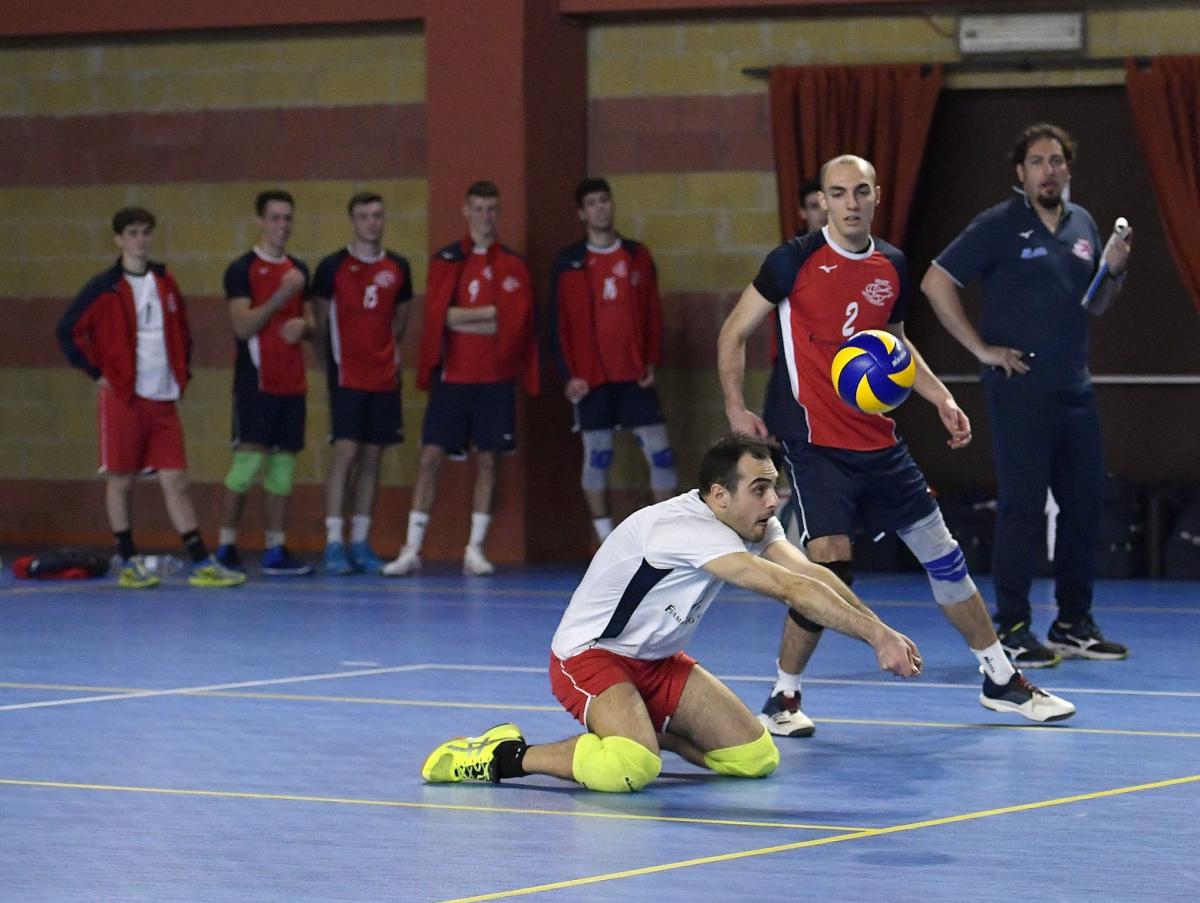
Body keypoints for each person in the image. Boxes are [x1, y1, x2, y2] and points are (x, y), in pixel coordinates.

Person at [718, 154, 1075, 737]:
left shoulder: (892, 265)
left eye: (861, 191)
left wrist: (940, 399)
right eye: (838, 193)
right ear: (824, 201)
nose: (851, 203)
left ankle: (1000, 679)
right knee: (831, 564)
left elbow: (898, 350)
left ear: (876, 195)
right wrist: (736, 406)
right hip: (816, 445)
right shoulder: (793, 261)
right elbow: (734, 330)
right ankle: (784, 699)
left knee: (945, 557)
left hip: (881, 443)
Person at [420, 434, 923, 792]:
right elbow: (785, 587)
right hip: (590, 657)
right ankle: (503, 756)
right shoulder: (685, 529)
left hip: (657, 662)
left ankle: (649, 729)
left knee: (755, 759)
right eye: (760, 490)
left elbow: (811, 574)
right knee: (629, 769)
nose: (773, 501)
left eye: (774, 487)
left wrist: (881, 629)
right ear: (719, 496)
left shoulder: (749, 521)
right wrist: (875, 641)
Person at [921, 123, 1132, 665]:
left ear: (1068, 168)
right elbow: (936, 280)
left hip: (1075, 389)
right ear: (1021, 172)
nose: (1048, 170)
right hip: (1020, 390)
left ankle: (1072, 623)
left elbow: (1097, 304)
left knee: (1085, 505)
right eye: (1037, 161)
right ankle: (1012, 626)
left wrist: (1113, 271)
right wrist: (982, 350)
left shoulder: (1082, 223)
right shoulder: (999, 225)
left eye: (1057, 160)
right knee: (1021, 509)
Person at [56, 206, 245, 589]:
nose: (140, 239)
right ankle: (127, 559)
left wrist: (182, 369)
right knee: (121, 479)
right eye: (133, 233)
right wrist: (98, 373)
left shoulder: (164, 280)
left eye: (145, 232)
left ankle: (200, 561)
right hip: (124, 397)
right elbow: (68, 330)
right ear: (119, 240)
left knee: (176, 479)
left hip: (163, 397)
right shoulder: (105, 287)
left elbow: (180, 329)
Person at [383, 181, 539, 577]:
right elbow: (440, 318)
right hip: (452, 380)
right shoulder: (447, 259)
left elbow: (514, 324)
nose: (485, 216)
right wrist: (486, 315)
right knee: (430, 458)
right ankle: (411, 548)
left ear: (498, 214)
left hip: (494, 381)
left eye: (492, 209)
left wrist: (466, 318)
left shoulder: (513, 264)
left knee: (488, 461)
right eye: (479, 208)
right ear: (466, 211)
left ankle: (475, 549)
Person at [548, 177, 677, 543]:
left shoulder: (637, 256)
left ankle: (662, 543)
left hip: (634, 376)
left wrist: (652, 359)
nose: (600, 208)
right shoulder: (569, 262)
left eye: (605, 200)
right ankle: (606, 542)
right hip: (590, 379)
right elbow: (557, 323)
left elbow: (653, 311)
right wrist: (568, 374)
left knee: (661, 454)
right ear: (581, 213)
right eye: (591, 203)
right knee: (598, 458)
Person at [312, 192, 413, 575]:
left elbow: (399, 323)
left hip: (384, 378)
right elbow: (320, 325)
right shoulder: (332, 267)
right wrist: (331, 370)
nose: (372, 222)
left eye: (377, 215)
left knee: (373, 459)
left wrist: (384, 356)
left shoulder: (398, 267)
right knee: (346, 454)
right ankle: (334, 542)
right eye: (364, 216)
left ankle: (361, 541)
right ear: (352, 221)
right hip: (347, 377)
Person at [215, 190, 314, 577]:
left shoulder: (298, 268)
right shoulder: (241, 269)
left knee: (283, 469)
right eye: (274, 218)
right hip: (256, 382)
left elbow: (313, 324)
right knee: (246, 465)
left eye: (287, 218)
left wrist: (304, 327)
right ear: (260, 221)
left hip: (292, 383)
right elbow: (242, 325)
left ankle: (275, 548)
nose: (282, 225)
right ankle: (225, 546)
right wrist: (280, 297)